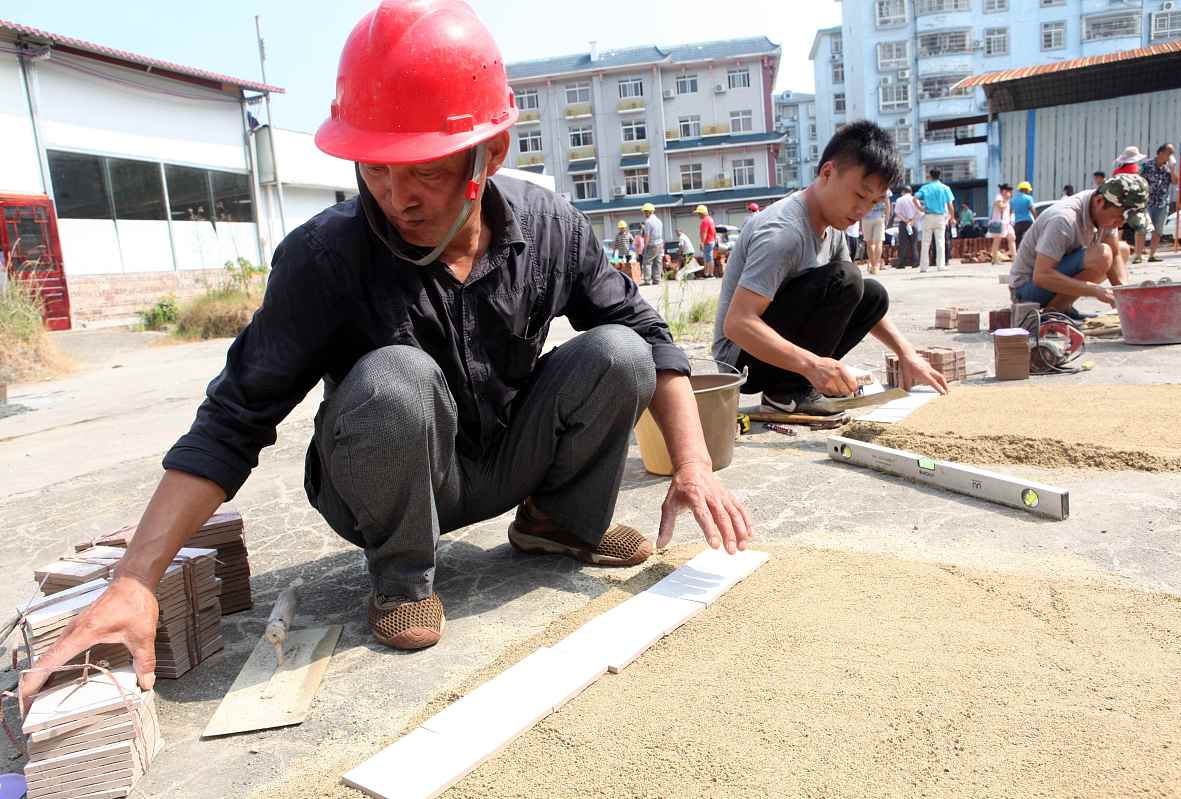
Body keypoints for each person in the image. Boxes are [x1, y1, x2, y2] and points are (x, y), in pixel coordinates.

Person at [20, 0, 755, 702]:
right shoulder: (325, 258)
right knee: (394, 378)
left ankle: (558, 525)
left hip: (499, 457)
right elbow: (233, 417)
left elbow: (655, 338)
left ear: (488, 154)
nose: (396, 197)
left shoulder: (548, 225)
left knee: (619, 351)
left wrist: (690, 464)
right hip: (390, 477)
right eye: (375, 168)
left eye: (426, 171)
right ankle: (403, 579)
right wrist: (136, 579)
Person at [711, 120, 948, 418]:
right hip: (743, 360)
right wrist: (813, 365)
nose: (863, 211)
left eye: (874, 202)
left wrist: (906, 354)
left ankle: (793, 385)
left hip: (776, 346)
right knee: (847, 278)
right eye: (860, 196)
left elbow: (854, 298)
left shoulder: (834, 223)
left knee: (873, 294)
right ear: (827, 173)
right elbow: (738, 324)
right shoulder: (783, 233)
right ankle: (787, 392)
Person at [1008, 174, 1145, 321]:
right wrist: (1095, 291)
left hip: (1051, 280)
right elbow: (1041, 276)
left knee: (1121, 249)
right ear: (1099, 201)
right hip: (1027, 290)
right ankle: (1053, 313)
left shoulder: (1106, 211)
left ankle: (1062, 306)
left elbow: (1116, 253)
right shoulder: (1063, 219)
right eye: (1118, 218)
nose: (1119, 224)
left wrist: (1124, 296)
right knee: (1102, 255)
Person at [1136, 143, 1177, 264]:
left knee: (1158, 231)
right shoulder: (1146, 165)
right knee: (1141, 228)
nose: (1170, 156)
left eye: (1172, 154)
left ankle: (1152, 255)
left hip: (1162, 203)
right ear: (1160, 153)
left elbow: (1175, 182)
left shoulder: (1168, 168)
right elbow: (1138, 179)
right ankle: (1138, 256)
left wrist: (1173, 169)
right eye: (1169, 153)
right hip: (1146, 202)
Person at [914, 168, 955, 272]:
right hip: (940, 217)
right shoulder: (945, 188)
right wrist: (952, 217)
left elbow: (914, 198)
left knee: (925, 242)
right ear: (940, 175)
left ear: (930, 176)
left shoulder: (925, 188)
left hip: (928, 216)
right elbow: (950, 205)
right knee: (940, 242)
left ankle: (923, 267)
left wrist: (920, 208)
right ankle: (940, 266)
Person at [861, 186, 892, 274]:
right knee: (879, 243)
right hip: (879, 217)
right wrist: (887, 218)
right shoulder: (884, 188)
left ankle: (873, 264)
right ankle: (876, 266)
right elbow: (887, 204)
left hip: (866, 217)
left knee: (869, 243)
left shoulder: (864, 186)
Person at [987, 183, 1017, 265]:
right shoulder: (999, 197)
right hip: (998, 222)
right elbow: (1000, 206)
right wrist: (1006, 200)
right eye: (1009, 192)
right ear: (1004, 191)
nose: (1010, 194)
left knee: (1012, 238)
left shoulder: (1006, 199)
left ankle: (1015, 258)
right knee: (997, 240)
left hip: (1006, 223)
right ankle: (994, 259)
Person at [892, 185, 919, 269]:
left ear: (903, 192)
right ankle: (915, 262)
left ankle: (902, 263)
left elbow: (897, 213)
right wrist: (912, 221)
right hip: (913, 223)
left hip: (903, 223)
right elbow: (918, 211)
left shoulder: (899, 200)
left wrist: (905, 220)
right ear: (911, 192)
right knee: (914, 243)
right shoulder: (915, 199)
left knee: (903, 244)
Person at [641, 202, 664, 285]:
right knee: (657, 262)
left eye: (645, 212)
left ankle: (647, 280)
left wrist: (645, 247)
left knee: (647, 262)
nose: (644, 213)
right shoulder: (659, 221)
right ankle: (657, 279)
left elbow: (647, 236)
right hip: (660, 244)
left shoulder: (648, 222)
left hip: (652, 244)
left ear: (648, 212)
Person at [1011, 181, 1037, 247]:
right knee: (1029, 240)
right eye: (1028, 190)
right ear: (1025, 189)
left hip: (1017, 223)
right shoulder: (1028, 198)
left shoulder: (1013, 200)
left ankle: (1018, 255)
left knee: (1017, 242)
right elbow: (1032, 210)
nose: (1029, 191)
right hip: (1027, 222)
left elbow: (1010, 212)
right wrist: (1036, 219)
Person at [697, 204, 717, 278]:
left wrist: (702, 242)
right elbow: (714, 231)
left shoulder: (705, 221)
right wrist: (715, 239)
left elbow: (704, 232)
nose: (698, 215)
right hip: (711, 241)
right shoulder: (710, 219)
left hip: (707, 242)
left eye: (699, 213)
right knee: (709, 258)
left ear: (702, 213)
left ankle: (709, 274)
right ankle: (708, 273)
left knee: (708, 258)